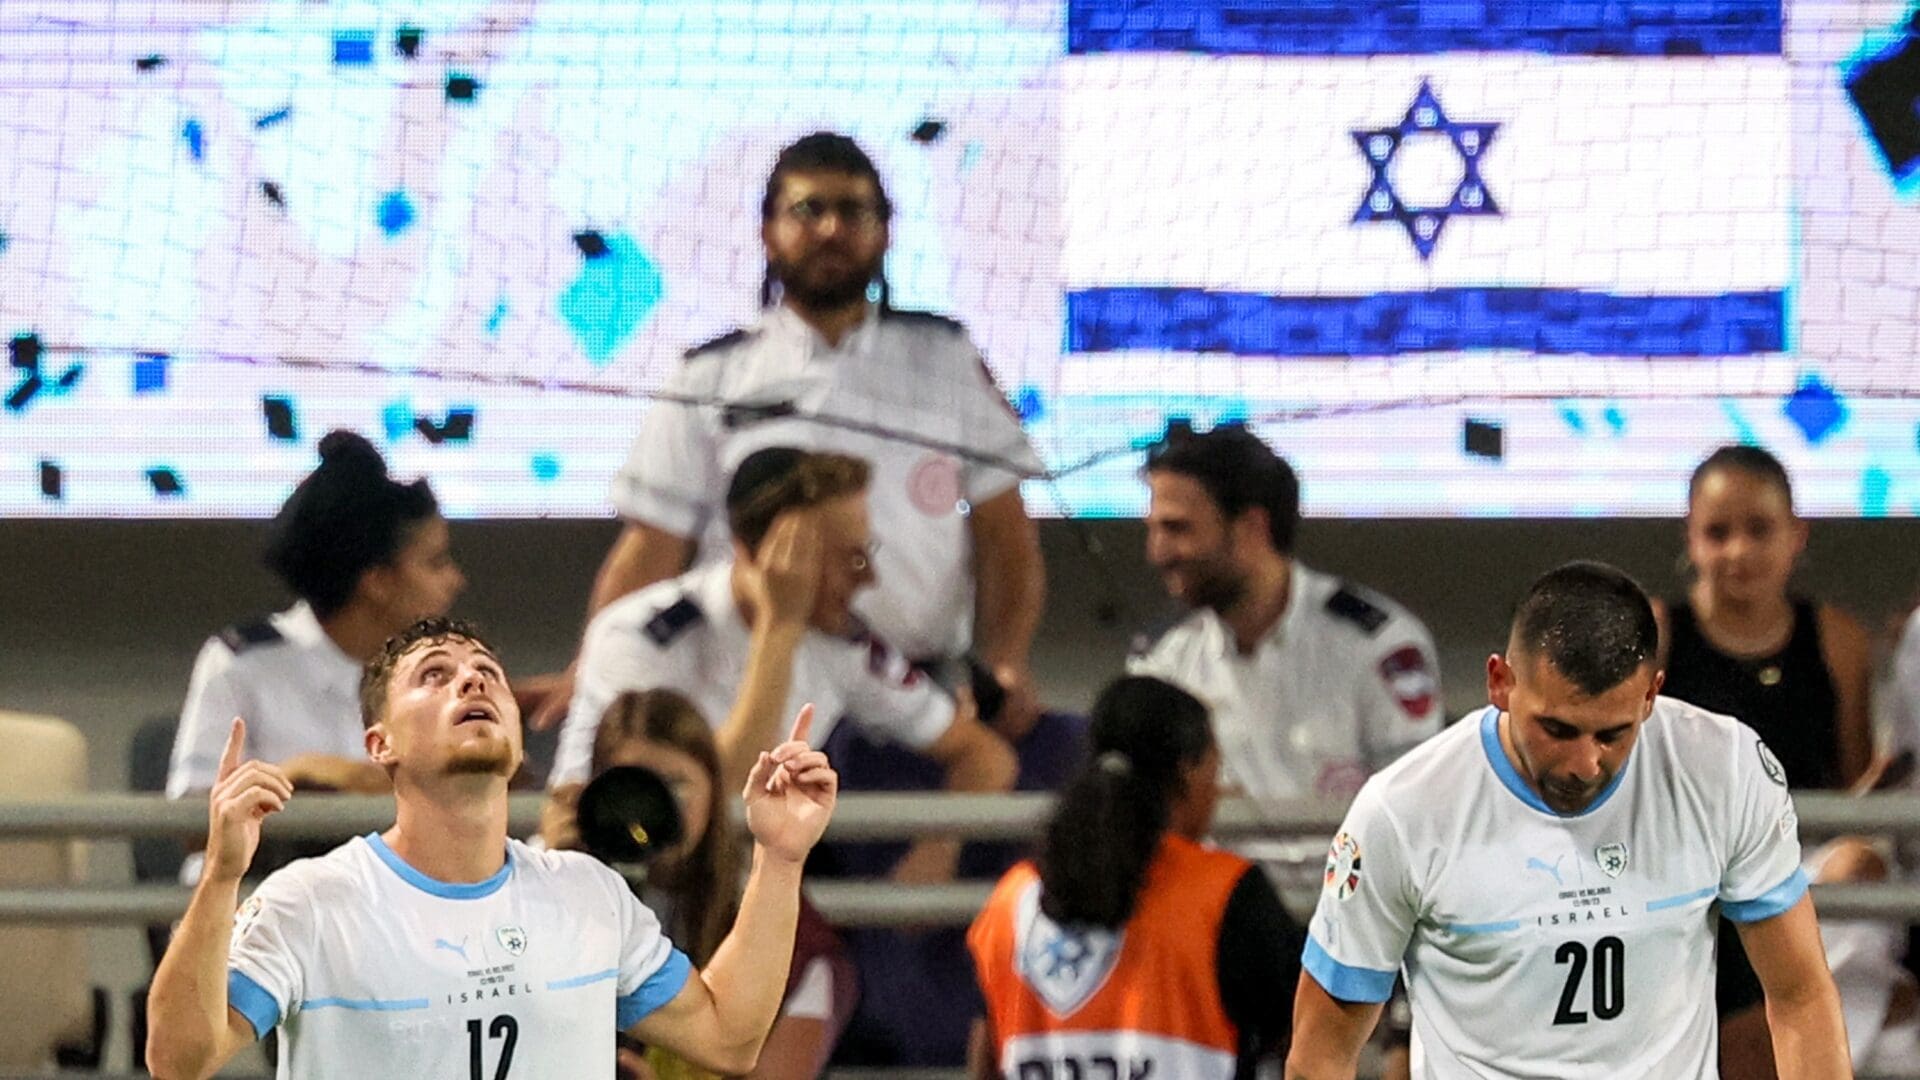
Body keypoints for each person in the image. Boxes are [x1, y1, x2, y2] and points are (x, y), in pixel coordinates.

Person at [145, 617, 838, 1079]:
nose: (472, 680)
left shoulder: (590, 895)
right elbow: (179, 1059)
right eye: (434, 675)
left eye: (486, 673)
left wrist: (780, 858)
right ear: (379, 744)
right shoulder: (312, 900)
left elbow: (731, 1036)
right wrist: (221, 875)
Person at [532, 130, 1046, 735]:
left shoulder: (947, 358)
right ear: (767, 232)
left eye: (853, 210)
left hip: (921, 689)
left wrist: (1007, 662)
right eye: (808, 210)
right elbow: (653, 546)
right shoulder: (713, 371)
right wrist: (592, 666)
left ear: (885, 231)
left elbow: (1005, 538)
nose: (831, 229)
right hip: (752, 685)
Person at [1286, 562, 1850, 1080]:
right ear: (1500, 683)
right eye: (1557, 730)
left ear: (1652, 695)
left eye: (1612, 734)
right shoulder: (1401, 812)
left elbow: (1800, 994)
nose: (1584, 765)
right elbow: (1321, 1053)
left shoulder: (1723, 769)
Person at [551, 446, 1015, 884]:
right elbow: (715, 808)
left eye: (865, 552)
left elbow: (985, 756)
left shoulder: (841, 645)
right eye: (844, 557)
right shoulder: (640, 636)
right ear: (762, 554)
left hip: (727, 893)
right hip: (612, 876)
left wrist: (936, 852)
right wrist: (778, 630)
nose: (867, 578)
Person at [1653, 445, 1874, 1074]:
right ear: (1690, 538)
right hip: (1684, 869)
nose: (1739, 552)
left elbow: (1855, 788)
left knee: (1859, 866)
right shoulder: (1659, 633)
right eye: (1718, 533)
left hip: (1802, 870)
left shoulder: (1834, 637)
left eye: (1759, 531)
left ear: (1796, 536)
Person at [967, 676, 1303, 1080]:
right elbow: (1311, 1023)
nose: (1217, 790)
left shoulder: (1012, 899)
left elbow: (987, 1053)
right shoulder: (1226, 893)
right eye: (1215, 767)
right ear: (1188, 771)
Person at [544, 688, 857, 1080]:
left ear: (714, 786)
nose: (654, 809)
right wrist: (555, 882)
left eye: (676, 785)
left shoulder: (782, 929)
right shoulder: (551, 893)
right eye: (636, 788)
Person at [168, 430, 465, 802]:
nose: (456, 580)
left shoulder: (445, 675)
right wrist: (297, 776)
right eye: (436, 563)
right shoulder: (242, 663)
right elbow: (192, 820)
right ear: (377, 581)